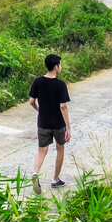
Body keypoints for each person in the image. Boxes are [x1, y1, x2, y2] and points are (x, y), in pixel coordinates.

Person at [28, 53, 71, 193]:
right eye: (60, 65)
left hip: (43, 122)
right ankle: (55, 179)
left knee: (42, 150)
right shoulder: (60, 85)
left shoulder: (38, 81)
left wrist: (39, 110)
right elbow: (63, 107)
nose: (61, 67)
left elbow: (31, 101)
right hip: (58, 124)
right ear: (56, 67)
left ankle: (35, 173)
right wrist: (68, 127)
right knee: (60, 150)